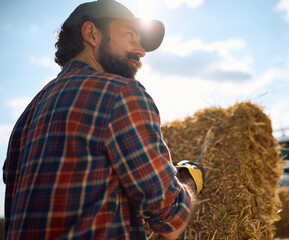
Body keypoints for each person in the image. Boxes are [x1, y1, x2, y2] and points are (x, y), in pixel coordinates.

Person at [2, 0, 204, 239]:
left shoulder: (27, 115)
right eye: (131, 35)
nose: (141, 50)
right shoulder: (122, 94)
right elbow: (171, 220)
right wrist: (187, 182)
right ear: (91, 34)